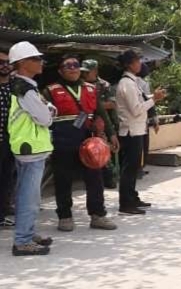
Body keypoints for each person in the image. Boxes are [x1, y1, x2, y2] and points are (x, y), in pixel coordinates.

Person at [43, 55, 117, 232]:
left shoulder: (91, 89)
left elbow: (101, 113)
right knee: (63, 180)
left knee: (95, 179)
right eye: (67, 65)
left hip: (89, 141)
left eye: (76, 65)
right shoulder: (50, 90)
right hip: (63, 141)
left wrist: (111, 133)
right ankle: (65, 216)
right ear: (60, 70)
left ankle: (98, 215)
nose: (73, 68)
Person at [7, 41, 54, 256]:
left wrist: (47, 109)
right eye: (35, 58)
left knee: (29, 195)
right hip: (30, 148)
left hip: (29, 147)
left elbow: (45, 109)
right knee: (29, 196)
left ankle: (27, 232)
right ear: (23, 63)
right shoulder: (24, 89)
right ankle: (23, 240)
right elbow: (45, 117)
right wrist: (48, 112)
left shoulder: (23, 85)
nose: (40, 62)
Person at [116, 50, 166, 214]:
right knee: (129, 169)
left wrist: (153, 96)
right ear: (130, 64)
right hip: (131, 131)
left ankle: (132, 197)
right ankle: (126, 203)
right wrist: (154, 100)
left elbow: (140, 100)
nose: (140, 64)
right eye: (137, 61)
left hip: (137, 130)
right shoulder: (127, 84)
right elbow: (136, 109)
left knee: (134, 167)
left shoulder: (133, 82)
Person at [81, 59, 119, 189]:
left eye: (88, 72)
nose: (85, 74)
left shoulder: (104, 85)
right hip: (86, 123)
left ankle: (110, 178)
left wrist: (93, 105)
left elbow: (112, 104)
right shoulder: (81, 85)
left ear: (95, 71)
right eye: (83, 72)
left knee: (104, 152)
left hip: (103, 123)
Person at [0, 50, 16, 228]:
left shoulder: (15, 87)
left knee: (6, 179)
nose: (4, 65)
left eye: (7, 62)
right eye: (0, 62)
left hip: (11, 141)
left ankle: (2, 215)